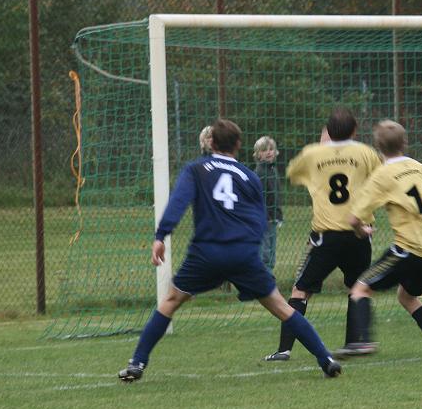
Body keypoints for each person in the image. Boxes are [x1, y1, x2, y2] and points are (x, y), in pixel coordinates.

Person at [118, 119, 342, 382]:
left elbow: (178, 202)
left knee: (170, 302)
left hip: (206, 253)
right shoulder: (250, 176)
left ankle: (137, 363)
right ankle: (325, 359)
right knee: (281, 307)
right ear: (238, 145)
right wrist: (249, 251)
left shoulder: (196, 169)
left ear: (210, 142)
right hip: (243, 254)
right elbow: (260, 220)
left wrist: (160, 236)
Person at [262, 107, 382, 362]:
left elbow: (293, 174)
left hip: (325, 236)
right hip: (359, 233)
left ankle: (284, 350)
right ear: (354, 130)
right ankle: (355, 342)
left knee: (300, 291)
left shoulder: (313, 154)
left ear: (327, 131)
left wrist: (323, 153)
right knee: (358, 287)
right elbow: (380, 182)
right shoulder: (366, 152)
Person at [337, 120, 422, 359]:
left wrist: (362, 231)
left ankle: (362, 342)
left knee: (360, 289)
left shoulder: (382, 174)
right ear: (405, 142)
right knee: (407, 297)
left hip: (411, 247)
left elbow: (354, 219)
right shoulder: (421, 168)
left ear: (377, 146)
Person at [253, 136, 283, 271]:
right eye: (265, 150)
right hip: (262, 220)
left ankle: (268, 278)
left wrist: (278, 214)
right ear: (258, 154)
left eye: (271, 149)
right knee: (264, 253)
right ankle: (263, 281)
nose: (269, 152)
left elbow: (275, 196)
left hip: (272, 218)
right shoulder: (259, 173)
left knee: (271, 252)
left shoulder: (273, 171)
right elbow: (258, 198)